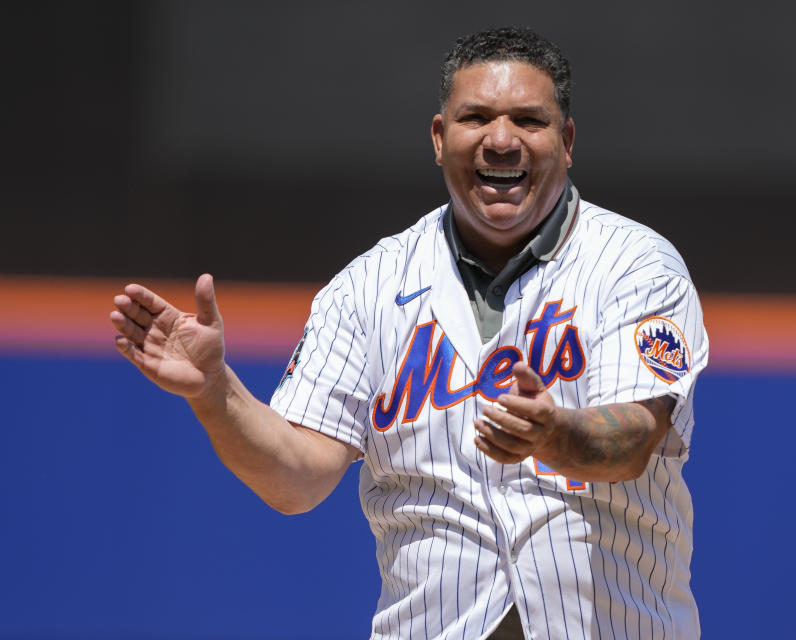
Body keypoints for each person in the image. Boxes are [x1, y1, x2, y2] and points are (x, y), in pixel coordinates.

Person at [110, 26, 708, 639]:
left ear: (568, 140)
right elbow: (296, 479)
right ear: (439, 137)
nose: (501, 140)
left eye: (529, 120)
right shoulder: (366, 288)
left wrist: (556, 433)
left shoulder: (633, 263)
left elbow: (634, 439)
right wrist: (215, 394)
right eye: (476, 117)